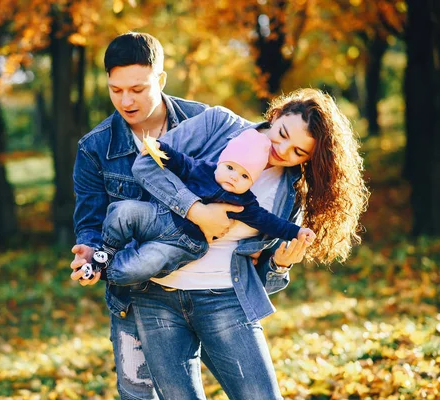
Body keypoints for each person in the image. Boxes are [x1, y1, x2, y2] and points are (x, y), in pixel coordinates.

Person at [128, 88, 370, 399]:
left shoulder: (290, 190)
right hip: (157, 292)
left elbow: (261, 277)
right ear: (277, 115)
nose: (282, 150)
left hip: (224, 300)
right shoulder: (219, 125)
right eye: (281, 133)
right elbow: (147, 162)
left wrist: (280, 265)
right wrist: (195, 210)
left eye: (299, 152)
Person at [69, 32, 241, 399]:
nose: (126, 101)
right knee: (138, 395)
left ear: (160, 80)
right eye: (116, 90)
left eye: (137, 88)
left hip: (210, 287)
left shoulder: (205, 122)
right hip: (136, 295)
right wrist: (89, 252)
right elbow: (90, 223)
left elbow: (254, 174)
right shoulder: (94, 148)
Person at [79, 128, 315, 284]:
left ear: (252, 182)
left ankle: (104, 270)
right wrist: (159, 147)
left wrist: (295, 232)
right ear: (221, 161)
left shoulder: (246, 203)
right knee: (123, 211)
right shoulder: (202, 169)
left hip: (182, 243)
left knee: (142, 265)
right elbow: (179, 161)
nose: (234, 177)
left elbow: (270, 222)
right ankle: (108, 249)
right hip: (162, 216)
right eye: (231, 168)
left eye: (245, 176)